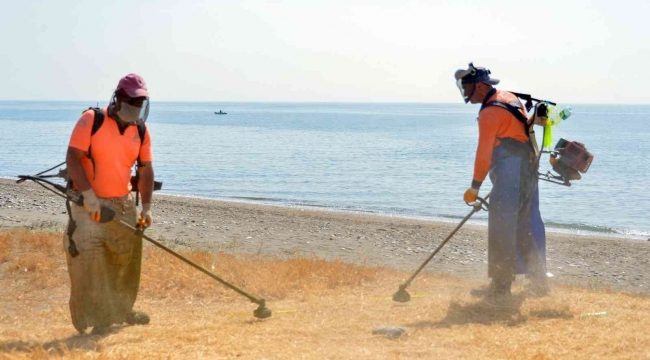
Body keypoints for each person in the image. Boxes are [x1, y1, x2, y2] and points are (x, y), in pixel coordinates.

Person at [64, 73, 155, 335]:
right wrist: (89, 195)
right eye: (132, 104)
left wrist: (146, 207)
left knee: (124, 258)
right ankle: (95, 319)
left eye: (140, 105)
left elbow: (146, 170)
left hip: (123, 202)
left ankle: (121, 309)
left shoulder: (140, 129)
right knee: (90, 262)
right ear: (118, 99)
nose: (136, 110)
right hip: (88, 202)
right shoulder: (92, 120)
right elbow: (73, 157)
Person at [453, 63, 549, 299]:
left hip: (511, 172)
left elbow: (484, 153)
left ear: (480, 85)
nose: (464, 92)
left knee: (502, 227)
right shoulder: (508, 97)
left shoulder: (489, 113)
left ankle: (500, 286)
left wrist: (475, 187)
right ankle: (539, 282)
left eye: (466, 87)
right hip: (527, 170)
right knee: (522, 228)